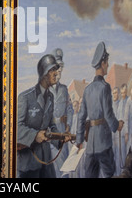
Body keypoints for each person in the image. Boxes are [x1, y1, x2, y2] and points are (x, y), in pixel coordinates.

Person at [75, 42, 123, 178]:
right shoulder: (105, 87)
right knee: (109, 173)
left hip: (90, 146)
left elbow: (81, 117)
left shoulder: (87, 89)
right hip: (104, 144)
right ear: (102, 64)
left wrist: (79, 140)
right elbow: (108, 115)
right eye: (107, 62)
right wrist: (117, 125)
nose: (107, 65)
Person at [17, 54, 69, 178]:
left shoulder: (50, 97)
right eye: (52, 70)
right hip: (28, 163)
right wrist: (35, 135)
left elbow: (51, 125)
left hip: (46, 161)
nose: (56, 73)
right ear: (44, 74)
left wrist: (61, 138)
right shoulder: (25, 97)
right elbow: (16, 128)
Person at [50, 48, 74, 178]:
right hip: (51, 134)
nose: (60, 70)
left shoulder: (64, 89)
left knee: (64, 167)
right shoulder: (45, 90)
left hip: (63, 133)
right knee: (54, 167)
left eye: (61, 67)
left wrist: (68, 125)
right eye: (57, 67)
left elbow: (70, 109)